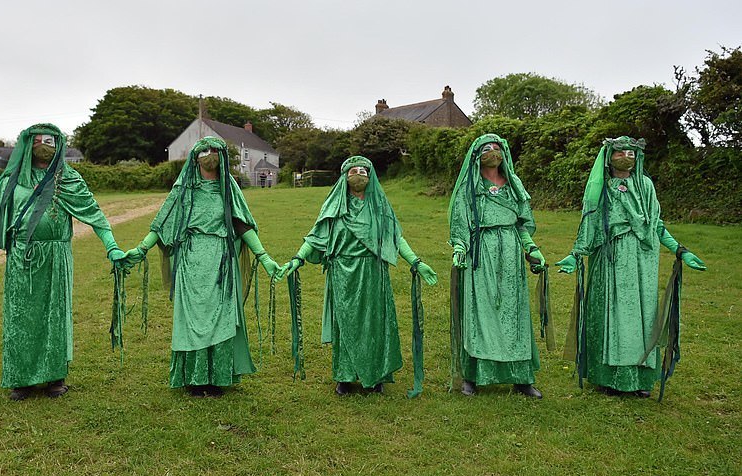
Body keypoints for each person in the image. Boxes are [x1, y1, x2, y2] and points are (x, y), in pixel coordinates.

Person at [0, 123, 125, 401]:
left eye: (49, 141)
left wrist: (111, 247)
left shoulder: (67, 179)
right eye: (37, 141)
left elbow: (95, 216)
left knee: (54, 316)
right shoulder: (11, 181)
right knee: (21, 318)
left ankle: (54, 377)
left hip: (55, 259)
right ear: (27, 145)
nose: (43, 146)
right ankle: (21, 379)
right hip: (20, 259)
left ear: (59, 145)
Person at [123, 136, 280, 397]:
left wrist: (264, 257)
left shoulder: (228, 187)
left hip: (221, 262)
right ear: (195, 157)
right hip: (191, 262)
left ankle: (217, 377)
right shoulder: (184, 188)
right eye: (204, 150)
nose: (209, 154)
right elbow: (163, 223)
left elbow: (242, 224)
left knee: (221, 319)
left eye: (214, 150)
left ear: (222, 156)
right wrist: (141, 249)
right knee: (193, 320)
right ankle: (195, 379)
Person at [555, 136, 706, 397]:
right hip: (609, 259)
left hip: (641, 261)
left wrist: (680, 250)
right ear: (609, 157)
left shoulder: (645, 185)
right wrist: (576, 255)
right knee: (611, 313)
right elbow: (590, 223)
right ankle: (608, 377)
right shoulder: (601, 187)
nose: (627, 157)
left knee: (640, 316)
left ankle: (639, 377)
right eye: (620, 152)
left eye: (631, 153)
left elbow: (656, 224)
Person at [276, 156, 438, 395]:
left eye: (364, 171)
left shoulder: (379, 207)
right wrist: (297, 258)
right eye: (354, 171)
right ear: (345, 176)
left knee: (375, 324)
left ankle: (375, 375)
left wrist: (416, 262)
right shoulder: (335, 207)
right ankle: (345, 376)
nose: (359, 175)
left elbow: (395, 237)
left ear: (370, 177)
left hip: (374, 273)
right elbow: (316, 236)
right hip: (343, 274)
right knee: (346, 325)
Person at [449, 134, 545, 399]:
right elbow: (460, 222)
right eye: (486, 149)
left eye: (496, 147)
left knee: (514, 314)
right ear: (476, 156)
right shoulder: (470, 187)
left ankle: (521, 378)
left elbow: (522, 224)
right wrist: (460, 248)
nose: (492, 152)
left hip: (511, 253)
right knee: (480, 311)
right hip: (481, 252)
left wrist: (531, 248)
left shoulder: (513, 185)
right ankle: (473, 376)